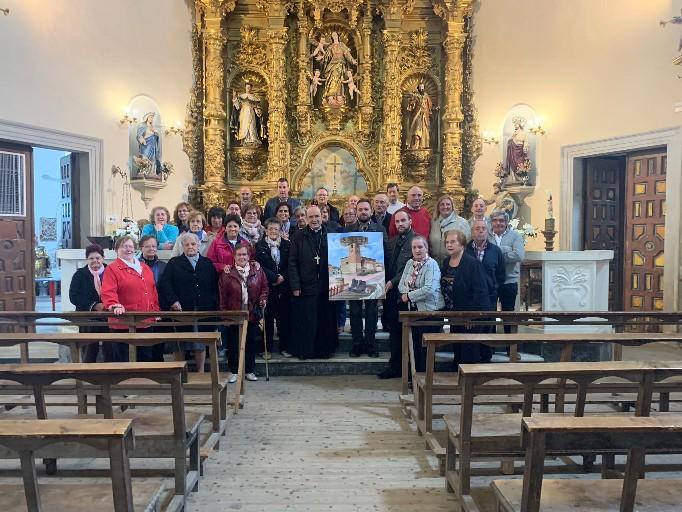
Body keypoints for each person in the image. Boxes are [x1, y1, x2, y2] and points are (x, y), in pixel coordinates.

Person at [158, 232, 219, 372]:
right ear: (182, 246)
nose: (190, 247)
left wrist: (213, 305)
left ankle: (200, 373)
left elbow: (214, 287)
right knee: (179, 342)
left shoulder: (207, 263)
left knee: (199, 342)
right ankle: (179, 373)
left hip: (202, 310)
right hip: (181, 310)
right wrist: (173, 301)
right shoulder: (174, 263)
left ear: (198, 245)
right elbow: (166, 285)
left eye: (193, 244)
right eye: (187, 244)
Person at [101, 235, 162, 362]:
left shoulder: (145, 267)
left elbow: (153, 291)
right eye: (124, 246)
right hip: (123, 321)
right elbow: (108, 291)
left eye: (130, 246)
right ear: (116, 250)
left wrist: (156, 310)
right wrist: (114, 305)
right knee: (123, 359)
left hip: (146, 319)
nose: (128, 249)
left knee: (145, 358)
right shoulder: (112, 268)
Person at [288, 205, 338, 359]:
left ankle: (324, 351)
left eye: (317, 216)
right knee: (307, 321)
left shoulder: (331, 235)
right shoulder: (298, 236)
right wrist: (295, 285)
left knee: (325, 320)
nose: (314, 220)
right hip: (305, 286)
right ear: (306, 218)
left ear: (322, 217)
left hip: (327, 286)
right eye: (311, 217)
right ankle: (306, 351)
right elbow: (292, 262)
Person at [440, 229, 492, 365]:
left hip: (470, 316)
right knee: (457, 351)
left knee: (468, 353)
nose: (449, 245)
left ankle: (470, 377)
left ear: (462, 244)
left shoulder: (472, 264)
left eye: (453, 242)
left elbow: (480, 292)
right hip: (454, 314)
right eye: (447, 242)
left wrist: (471, 316)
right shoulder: (446, 262)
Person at [219, 244, 268, 382]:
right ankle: (234, 371)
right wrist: (224, 315)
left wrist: (263, 298)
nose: (242, 257)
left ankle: (249, 370)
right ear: (234, 257)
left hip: (251, 313)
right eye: (239, 254)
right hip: (234, 313)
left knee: (250, 343)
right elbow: (222, 295)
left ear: (249, 256)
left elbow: (264, 287)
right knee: (234, 344)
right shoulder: (227, 273)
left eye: (244, 254)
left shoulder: (257, 270)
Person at [345, 198, 386, 358]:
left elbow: (385, 252)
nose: (363, 212)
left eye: (366, 209)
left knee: (371, 312)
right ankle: (357, 344)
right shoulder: (348, 229)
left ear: (371, 211)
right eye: (360, 209)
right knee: (355, 311)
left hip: (373, 275)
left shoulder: (380, 229)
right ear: (356, 212)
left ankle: (370, 344)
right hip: (353, 276)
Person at [398, 236, 444, 372]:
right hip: (414, 311)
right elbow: (401, 285)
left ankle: (425, 377)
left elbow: (429, 289)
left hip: (430, 312)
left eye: (420, 247)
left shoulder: (432, 264)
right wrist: (409, 293)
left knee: (425, 349)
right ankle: (415, 376)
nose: (417, 250)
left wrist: (409, 296)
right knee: (415, 347)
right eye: (414, 247)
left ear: (426, 248)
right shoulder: (410, 263)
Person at [378, 210, 415, 379]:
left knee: (405, 332)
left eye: (403, 220)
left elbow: (411, 266)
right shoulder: (392, 241)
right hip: (391, 294)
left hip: (405, 294)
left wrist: (392, 282)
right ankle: (394, 366)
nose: (400, 224)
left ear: (410, 221)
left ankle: (408, 368)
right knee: (393, 331)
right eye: (397, 221)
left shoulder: (416, 241)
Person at [255, 218, 292, 357]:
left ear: (280, 230)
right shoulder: (259, 245)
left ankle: (285, 347)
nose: (273, 231)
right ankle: (267, 349)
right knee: (268, 320)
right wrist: (274, 277)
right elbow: (259, 265)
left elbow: (291, 263)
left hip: (284, 287)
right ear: (266, 230)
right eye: (270, 228)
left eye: (276, 229)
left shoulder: (287, 245)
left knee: (284, 319)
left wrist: (282, 277)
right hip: (268, 286)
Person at [68, 244, 108, 362]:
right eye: (91, 258)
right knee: (89, 352)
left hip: (108, 316)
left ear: (103, 258)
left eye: (98, 258)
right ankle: (88, 370)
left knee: (111, 349)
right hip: (87, 318)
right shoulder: (80, 274)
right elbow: (74, 296)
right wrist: (94, 305)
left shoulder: (111, 271)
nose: (95, 261)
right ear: (87, 259)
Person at [490, 209, 525, 333]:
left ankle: (510, 343)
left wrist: (496, 253)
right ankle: (490, 342)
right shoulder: (487, 236)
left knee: (508, 314)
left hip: (509, 280)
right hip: (490, 281)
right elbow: (484, 256)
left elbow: (519, 256)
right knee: (489, 313)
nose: (498, 223)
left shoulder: (515, 236)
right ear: (491, 222)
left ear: (506, 222)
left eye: (501, 220)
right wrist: (506, 249)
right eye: (495, 220)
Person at [465, 219, 505, 313]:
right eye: (477, 228)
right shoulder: (465, 251)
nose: (481, 231)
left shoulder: (496, 251)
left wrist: (494, 288)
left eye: (484, 228)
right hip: (469, 298)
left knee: (489, 321)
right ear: (472, 232)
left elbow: (501, 274)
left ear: (488, 232)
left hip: (489, 297)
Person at [429, 195, 471, 263]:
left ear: (452, 207)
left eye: (448, 204)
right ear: (438, 207)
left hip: (454, 262)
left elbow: (466, 244)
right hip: (434, 262)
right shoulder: (433, 222)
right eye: (442, 204)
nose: (445, 207)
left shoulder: (462, 223)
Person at [405, 82, 434, 150]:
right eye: (420, 88)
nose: (422, 89)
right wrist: (411, 101)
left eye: (422, 87)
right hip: (417, 114)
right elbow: (411, 106)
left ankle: (423, 145)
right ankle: (415, 145)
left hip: (425, 115)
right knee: (416, 129)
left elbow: (429, 106)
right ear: (418, 89)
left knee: (425, 129)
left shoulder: (426, 96)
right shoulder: (415, 96)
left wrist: (431, 112)